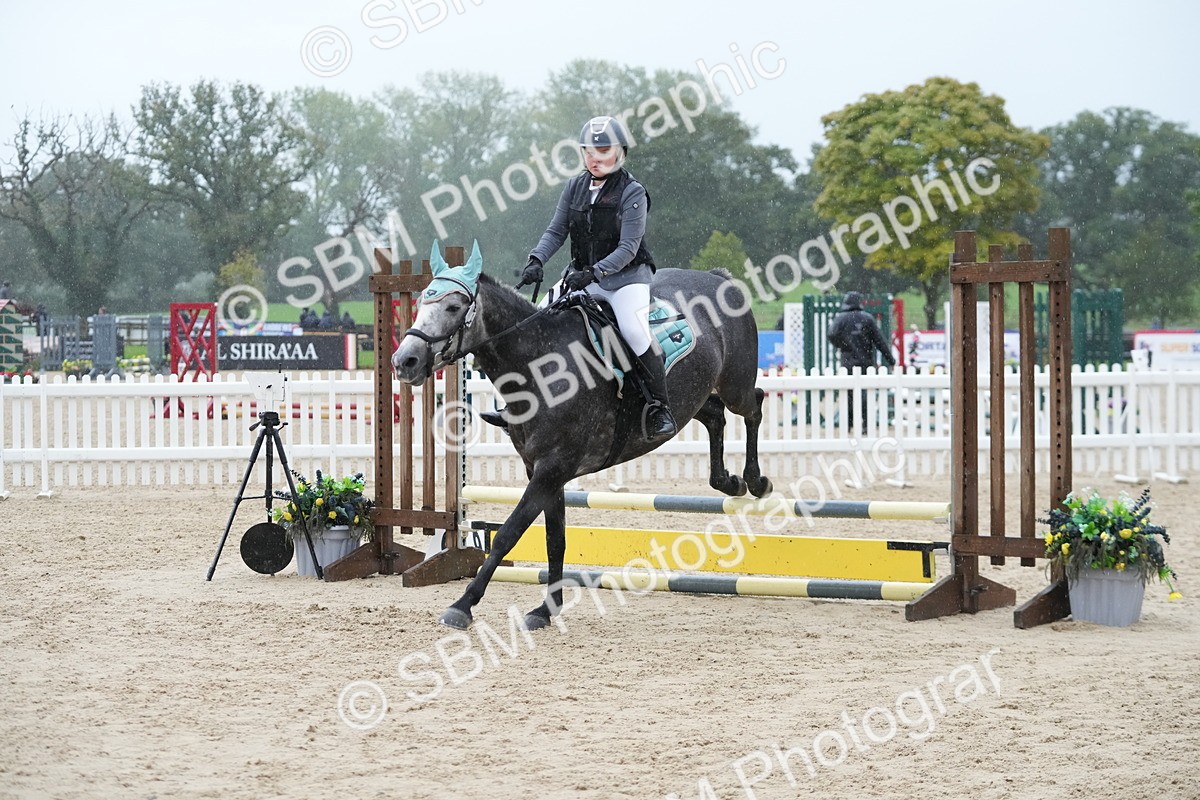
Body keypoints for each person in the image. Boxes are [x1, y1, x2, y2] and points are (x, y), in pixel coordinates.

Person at [513, 115, 676, 443]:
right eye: (589, 151)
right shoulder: (574, 186)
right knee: (537, 325)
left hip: (626, 280)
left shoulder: (633, 192)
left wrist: (595, 272)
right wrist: (536, 259)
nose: (594, 158)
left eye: (603, 151)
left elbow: (629, 248)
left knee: (633, 330)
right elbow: (556, 230)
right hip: (581, 277)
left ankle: (660, 408)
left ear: (620, 152)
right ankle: (518, 404)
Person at [826, 291, 895, 432]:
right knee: (866, 393)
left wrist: (843, 346)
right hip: (866, 361)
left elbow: (831, 334)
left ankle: (848, 423)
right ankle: (866, 423)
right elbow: (879, 341)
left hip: (848, 361)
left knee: (849, 393)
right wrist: (890, 360)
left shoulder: (840, 318)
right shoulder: (867, 319)